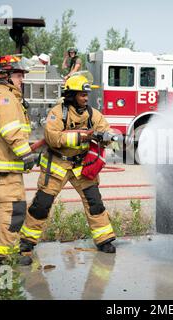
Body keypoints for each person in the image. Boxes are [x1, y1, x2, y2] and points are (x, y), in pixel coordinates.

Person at [19, 72, 117, 256]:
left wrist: (107, 136)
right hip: (57, 165)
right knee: (41, 204)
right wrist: (83, 136)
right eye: (82, 94)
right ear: (71, 95)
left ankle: (104, 239)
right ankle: (26, 241)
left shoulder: (92, 114)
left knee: (94, 202)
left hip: (81, 167)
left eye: (87, 94)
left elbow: (104, 128)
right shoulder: (58, 112)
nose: (86, 98)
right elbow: (53, 137)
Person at [0, 55, 36, 266]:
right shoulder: (5, 98)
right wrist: (26, 154)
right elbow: (10, 130)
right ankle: (8, 254)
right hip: (5, 167)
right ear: (5, 76)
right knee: (11, 210)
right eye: (19, 74)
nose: (22, 79)